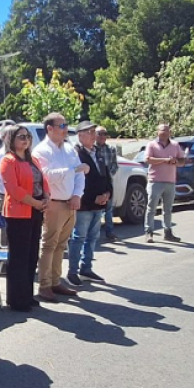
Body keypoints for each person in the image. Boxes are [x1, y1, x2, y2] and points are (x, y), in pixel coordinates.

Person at [31, 113, 85, 304]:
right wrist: (72, 170)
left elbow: (80, 175)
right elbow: (46, 176)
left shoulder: (69, 149)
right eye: (61, 125)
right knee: (49, 245)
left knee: (61, 245)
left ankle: (55, 281)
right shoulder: (41, 151)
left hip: (70, 203)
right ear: (49, 128)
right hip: (53, 203)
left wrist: (77, 194)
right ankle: (44, 285)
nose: (65, 129)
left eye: (66, 125)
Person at [0, 126, 49, 312]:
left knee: (31, 255)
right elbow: (14, 189)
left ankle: (27, 295)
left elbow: (43, 181)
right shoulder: (8, 160)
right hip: (19, 214)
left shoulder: (32, 159)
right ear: (11, 139)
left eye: (27, 136)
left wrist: (46, 198)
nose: (25, 139)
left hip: (36, 211)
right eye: (21, 136)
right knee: (19, 257)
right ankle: (17, 300)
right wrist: (35, 203)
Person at [67, 122, 113, 286]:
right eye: (90, 132)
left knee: (93, 237)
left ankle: (86, 268)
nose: (94, 135)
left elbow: (106, 175)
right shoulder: (76, 154)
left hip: (99, 204)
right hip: (84, 204)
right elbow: (77, 180)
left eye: (94, 132)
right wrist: (92, 198)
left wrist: (107, 193)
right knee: (79, 237)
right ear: (80, 135)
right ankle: (72, 272)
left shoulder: (97, 152)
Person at [143, 123, 187, 243]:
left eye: (166, 131)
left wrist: (174, 161)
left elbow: (182, 161)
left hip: (170, 181)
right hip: (155, 181)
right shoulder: (151, 145)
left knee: (168, 209)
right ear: (157, 132)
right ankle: (148, 232)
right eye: (162, 130)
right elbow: (148, 159)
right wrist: (164, 160)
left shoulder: (175, 145)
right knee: (151, 208)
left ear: (170, 132)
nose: (164, 133)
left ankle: (168, 232)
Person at [95, 126, 120, 241]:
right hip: (95, 183)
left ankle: (110, 232)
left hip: (108, 182)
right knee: (96, 209)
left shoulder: (111, 149)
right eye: (99, 133)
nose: (102, 136)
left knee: (108, 209)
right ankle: (94, 233)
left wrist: (108, 175)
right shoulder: (92, 149)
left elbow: (115, 165)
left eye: (104, 134)